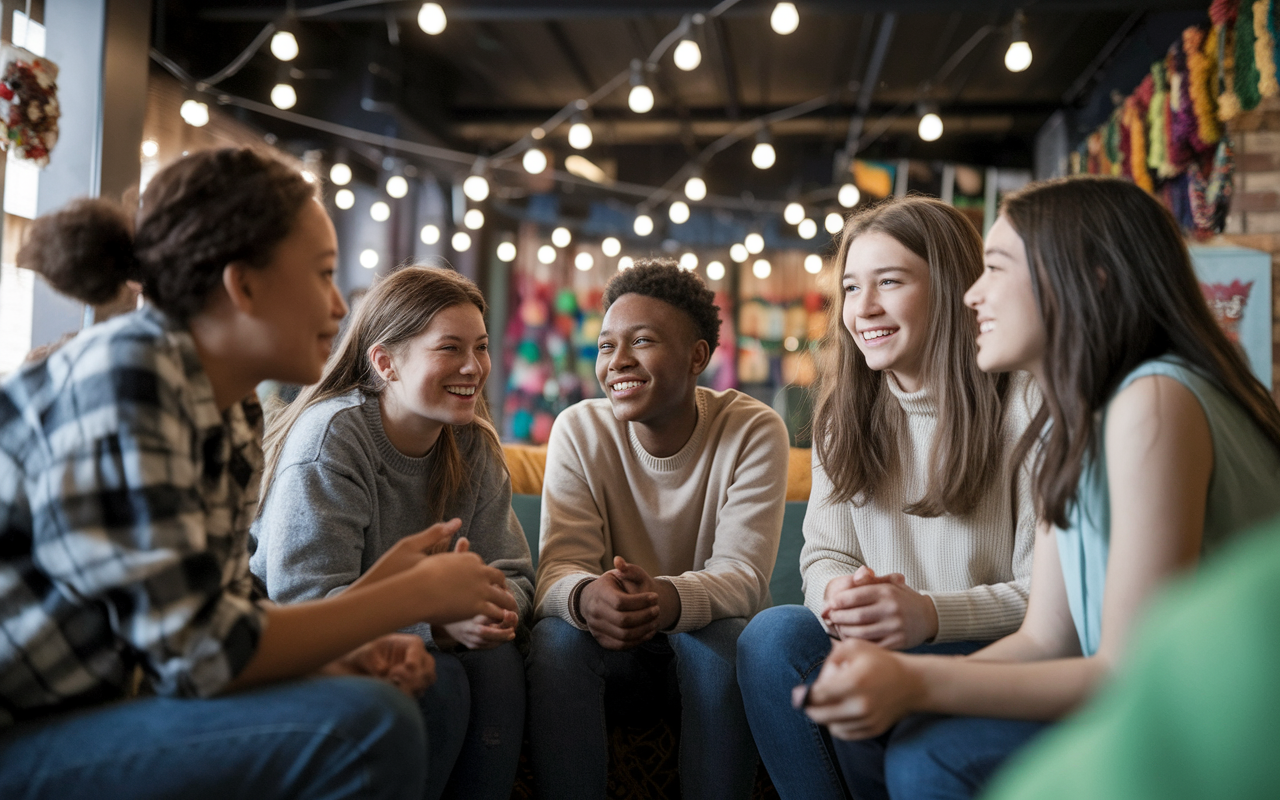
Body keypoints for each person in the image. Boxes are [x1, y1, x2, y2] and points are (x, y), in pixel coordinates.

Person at [0, 148, 515, 800]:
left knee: (386, 693)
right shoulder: (129, 378)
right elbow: (201, 658)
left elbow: (226, 613)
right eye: (325, 275)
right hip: (25, 731)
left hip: (107, 706)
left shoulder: (232, 407)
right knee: (365, 723)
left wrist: (343, 654)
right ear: (243, 285)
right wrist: (410, 599)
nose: (338, 306)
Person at [801, 176, 1280, 800]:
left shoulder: (1154, 400)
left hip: (1227, 725)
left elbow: (1129, 673)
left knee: (933, 757)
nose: (970, 294)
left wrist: (915, 683)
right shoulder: (1079, 414)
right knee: (911, 731)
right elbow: (1046, 636)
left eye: (995, 268)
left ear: (1091, 280)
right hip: (1158, 702)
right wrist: (895, 679)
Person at [737, 196, 1037, 800]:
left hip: (993, 652)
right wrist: (841, 599)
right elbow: (824, 554)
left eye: (890, 282)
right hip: (882, 640)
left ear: (954, 289)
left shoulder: (1026, 404)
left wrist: (928, 614)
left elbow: (1048, 602)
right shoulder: (840, 418)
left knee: (862, 681)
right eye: (850, 287)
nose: (863, 308)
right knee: (772, 637)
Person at [252, 264, 534, 800]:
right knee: (441, 680)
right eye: (450, 348)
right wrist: (439, 626)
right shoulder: (332, 439)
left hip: (407, 634)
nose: (474, 367)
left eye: (479, 346)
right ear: (385, 362)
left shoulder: (473, 444)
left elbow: (514, 572)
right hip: (302, 647)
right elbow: (304, 602)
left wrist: (492, 610)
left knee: (498, 661)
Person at [526, 258, 790, 799]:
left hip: (705, 645)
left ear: (697, 356)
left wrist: (663, 601)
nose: (617, 361)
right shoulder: (578, 429)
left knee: (719, 638)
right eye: (605, 346)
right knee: (556, 640)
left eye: (641, 341)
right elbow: (559, 568)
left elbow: (741, 575)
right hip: (611, 650)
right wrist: (583, 597)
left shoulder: (752, 429)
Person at [983, 513, 1280, 800]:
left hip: (1145, 691)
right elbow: (1043, 638)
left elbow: (1120, 668)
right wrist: (944, 675)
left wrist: (941, 679)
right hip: (1118, 686)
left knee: (947, 758)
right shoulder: (1056, 465)